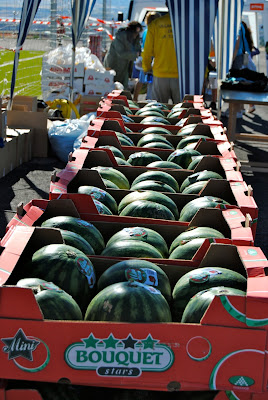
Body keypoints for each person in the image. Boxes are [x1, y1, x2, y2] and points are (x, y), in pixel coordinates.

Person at [141, 8, 180, 104]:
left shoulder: (155, 24)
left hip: (160, 73)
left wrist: (147, 68)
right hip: (180, 75)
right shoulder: (184, 23)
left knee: (159, 109)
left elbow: (147, 51)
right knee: (181, 110)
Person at [103, 21, 143, 89]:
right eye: (135, 33)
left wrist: (140, 54)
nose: (136, 35)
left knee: (123, 88)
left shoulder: (135, 39)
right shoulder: (120, 37)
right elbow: (120, 53)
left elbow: (137, 49)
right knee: (111, 87)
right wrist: (135, 54)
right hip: (113, 65)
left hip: (125, 67)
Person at [133, 11, 161, 101]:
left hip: (145, 57)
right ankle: (149, 99)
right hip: (151, 58)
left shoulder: (146, 31)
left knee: (142, 79)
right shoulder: (154, 31)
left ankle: (135, 98)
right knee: (151, 81)